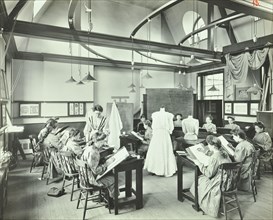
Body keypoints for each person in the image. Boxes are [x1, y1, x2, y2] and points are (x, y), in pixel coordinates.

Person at [190, 137, 231, 217]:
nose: (208, 146)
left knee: (200, 180)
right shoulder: (223, 152)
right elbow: (215, 155)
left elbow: (209, 174)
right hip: (229, 180)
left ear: (213, 146)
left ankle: (201, 204)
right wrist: (204, 152)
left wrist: (199, 163)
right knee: (202, 179)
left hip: (220, 182)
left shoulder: (214, 157)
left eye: (208, 144)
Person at [81, 132, 117, 208]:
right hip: (91, 180)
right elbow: (96, 171)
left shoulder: (89, 147)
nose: (104, 143)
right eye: (103, 141)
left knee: (108, 174)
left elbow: (93, 164)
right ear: (98, 141)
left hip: (84, 176)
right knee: (113, 178)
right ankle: (112, 203)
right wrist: (107, 164)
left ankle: (106, 198)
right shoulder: (93, 152)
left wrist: (105, 159)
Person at [144, 106, 177, 177]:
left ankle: (156, 169)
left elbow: (153, 126)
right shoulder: (167, 115)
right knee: (162, 150)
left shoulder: (157, 115)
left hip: (157, 134)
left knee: (158, 150)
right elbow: (171, 127)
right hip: (164, 134)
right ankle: (157, 169)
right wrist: (169, 131)